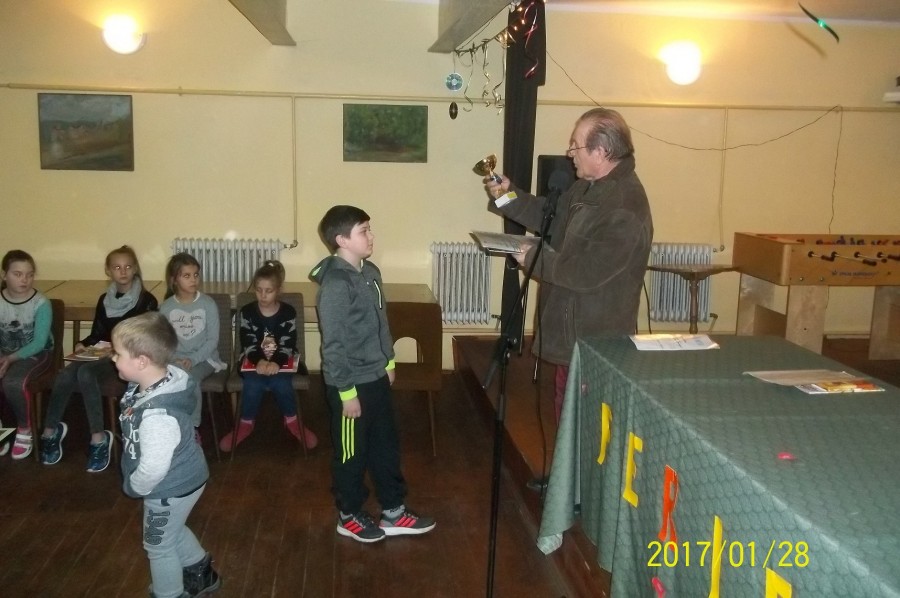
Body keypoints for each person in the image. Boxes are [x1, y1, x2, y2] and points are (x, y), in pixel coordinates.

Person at [484, 107, 653, 422]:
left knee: (582, 425)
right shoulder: (588, 186)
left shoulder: (625, 206)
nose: (570, 153)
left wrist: (533, 257)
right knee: (566, 416)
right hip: (573, 336)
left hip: (595, 342)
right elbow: (545, 214)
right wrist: (505, 196)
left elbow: (585, 272)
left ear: (600, 152)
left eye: (576, 145)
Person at [310, 205, 435, 543]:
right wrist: (346, 393)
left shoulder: (371, 272)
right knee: (351, 454)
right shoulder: (335, 284)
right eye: (363, 230)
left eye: (369, 228)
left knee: (385, 447)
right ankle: (349, 514)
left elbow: (381, 322)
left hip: (376, 377)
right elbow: (333, 345)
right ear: (342, 240)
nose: (371, 236)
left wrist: (388, 362)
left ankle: (393, 510)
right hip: (349, 385)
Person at [111, 312, 220, 598]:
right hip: (184, 477)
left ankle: (168, 593)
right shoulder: (158, 379)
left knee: (158, 546)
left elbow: (154, 468)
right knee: (172, 528)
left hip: (168, 487)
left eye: (118, 353)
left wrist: (137, 486)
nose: (113, 358)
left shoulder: (158, 417)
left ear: (141, 361)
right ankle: (200, 572)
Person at [40, 245, 159, 472]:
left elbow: (146, 339)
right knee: (66, 374)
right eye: (117, 267)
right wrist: (83, 344)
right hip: (103, 353)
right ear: (108, 271)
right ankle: (50, 431)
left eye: (128, 267)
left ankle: (99, 438)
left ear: (135, 269)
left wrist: (117, 349)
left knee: (85, 373)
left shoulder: (147, 300)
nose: (123, 272)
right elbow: (97, 334)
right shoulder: (105, 299)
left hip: (128, 358)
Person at [218, 260, 317, 452]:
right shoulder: (247, 312)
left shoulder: (288, 312)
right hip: (253, 359)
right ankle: (245, 423)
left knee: (280, 382)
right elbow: (247, 341)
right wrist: (260, 361)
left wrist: (276, 363)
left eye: (268, 291)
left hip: (282, 361)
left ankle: (292, 420)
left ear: (278, 290)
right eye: (259, 290)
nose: (263, 295)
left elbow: (288, 343)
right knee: (253, 383)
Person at [159, 253, 226, 435]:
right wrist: (175, 359)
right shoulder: (166, 308)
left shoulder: (207, 304)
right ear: (174, 279)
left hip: (205, 359)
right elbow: (164, 342)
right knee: (164, 379)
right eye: (186, 275)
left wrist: (193, 359)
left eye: (196, 274)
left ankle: (192, 427)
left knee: (190, 379)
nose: (193, 279)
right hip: (176, 359)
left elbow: (212, 341)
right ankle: (169, 425)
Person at [0, 250, 53, 460]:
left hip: (36, 354)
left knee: (13, 381)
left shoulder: (41, 303)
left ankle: (24, 428)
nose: (25, 280)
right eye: (18, 274)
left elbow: (39, 343)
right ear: (4, 275)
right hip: (5, 353)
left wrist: (10, 359)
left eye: (29, 275)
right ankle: (3, 428)